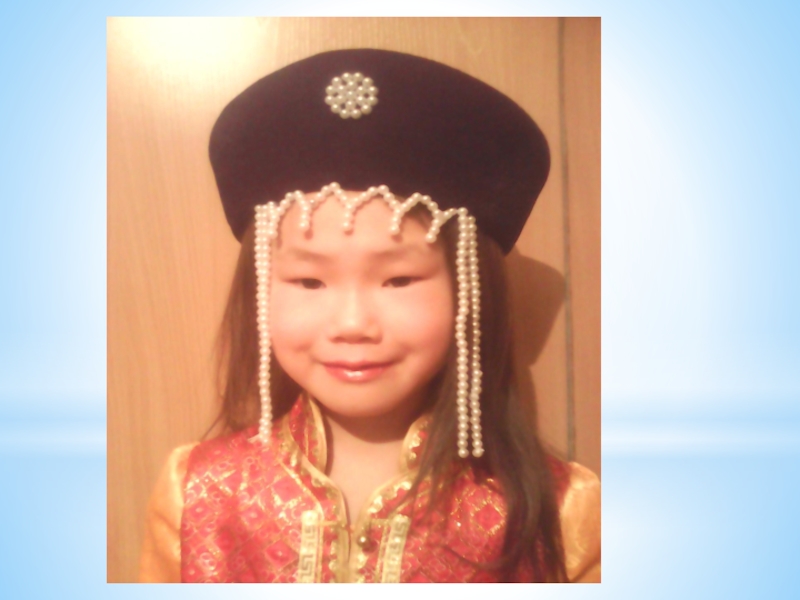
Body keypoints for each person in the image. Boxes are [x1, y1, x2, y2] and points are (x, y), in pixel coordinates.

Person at [138, 48, 600, 583]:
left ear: (472, 292)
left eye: (398, 280)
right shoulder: (195, 492)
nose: (352, 324)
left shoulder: (563, 512)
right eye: (309, 281)